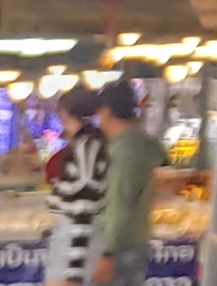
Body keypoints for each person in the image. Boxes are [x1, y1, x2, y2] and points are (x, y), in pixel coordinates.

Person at [88, 81, 164, 286]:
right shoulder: (139, 144)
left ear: (106, 112)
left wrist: (107, 252)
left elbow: (118, 203)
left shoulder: (123, 152)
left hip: (120, 248)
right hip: (135, 242)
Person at [44, 86, 106, 285]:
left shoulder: (86, 147)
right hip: (72, 236)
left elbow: (84, 205)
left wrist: (75, 271)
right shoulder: (86, 144)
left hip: (73, 238)